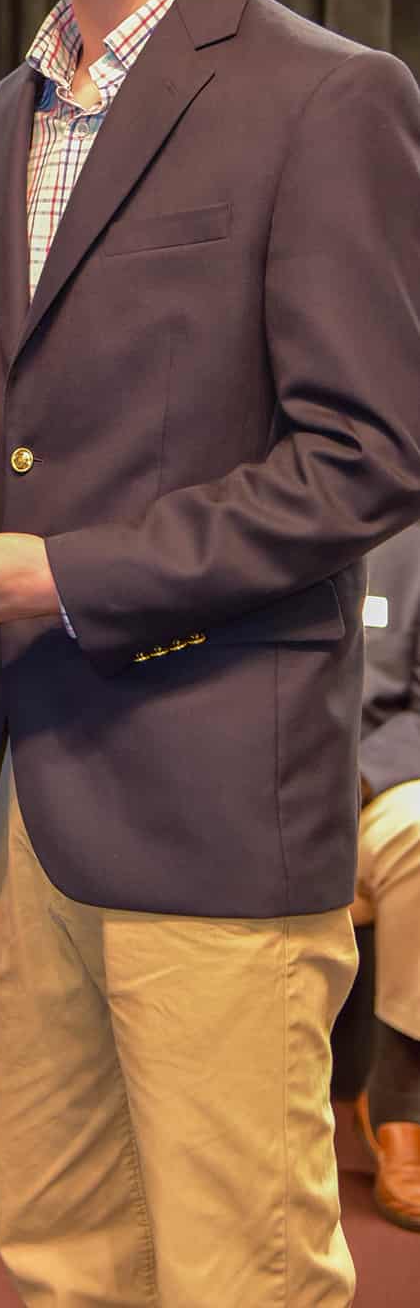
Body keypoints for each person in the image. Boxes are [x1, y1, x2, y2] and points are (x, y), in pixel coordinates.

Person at [0, 0, 420, 1305]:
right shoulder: (4, 117)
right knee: (65, 1264)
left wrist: (68, 572)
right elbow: (89, 426)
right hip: (29, 791)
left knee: (237, 1277)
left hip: (212, 795)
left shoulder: (323, 99)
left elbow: (361, 458)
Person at [355, 522, 420, 1232]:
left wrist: (358, 783)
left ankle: (404, 1107)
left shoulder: (410, 541)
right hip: (237, 794)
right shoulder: (219, 524)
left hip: (369, 789)